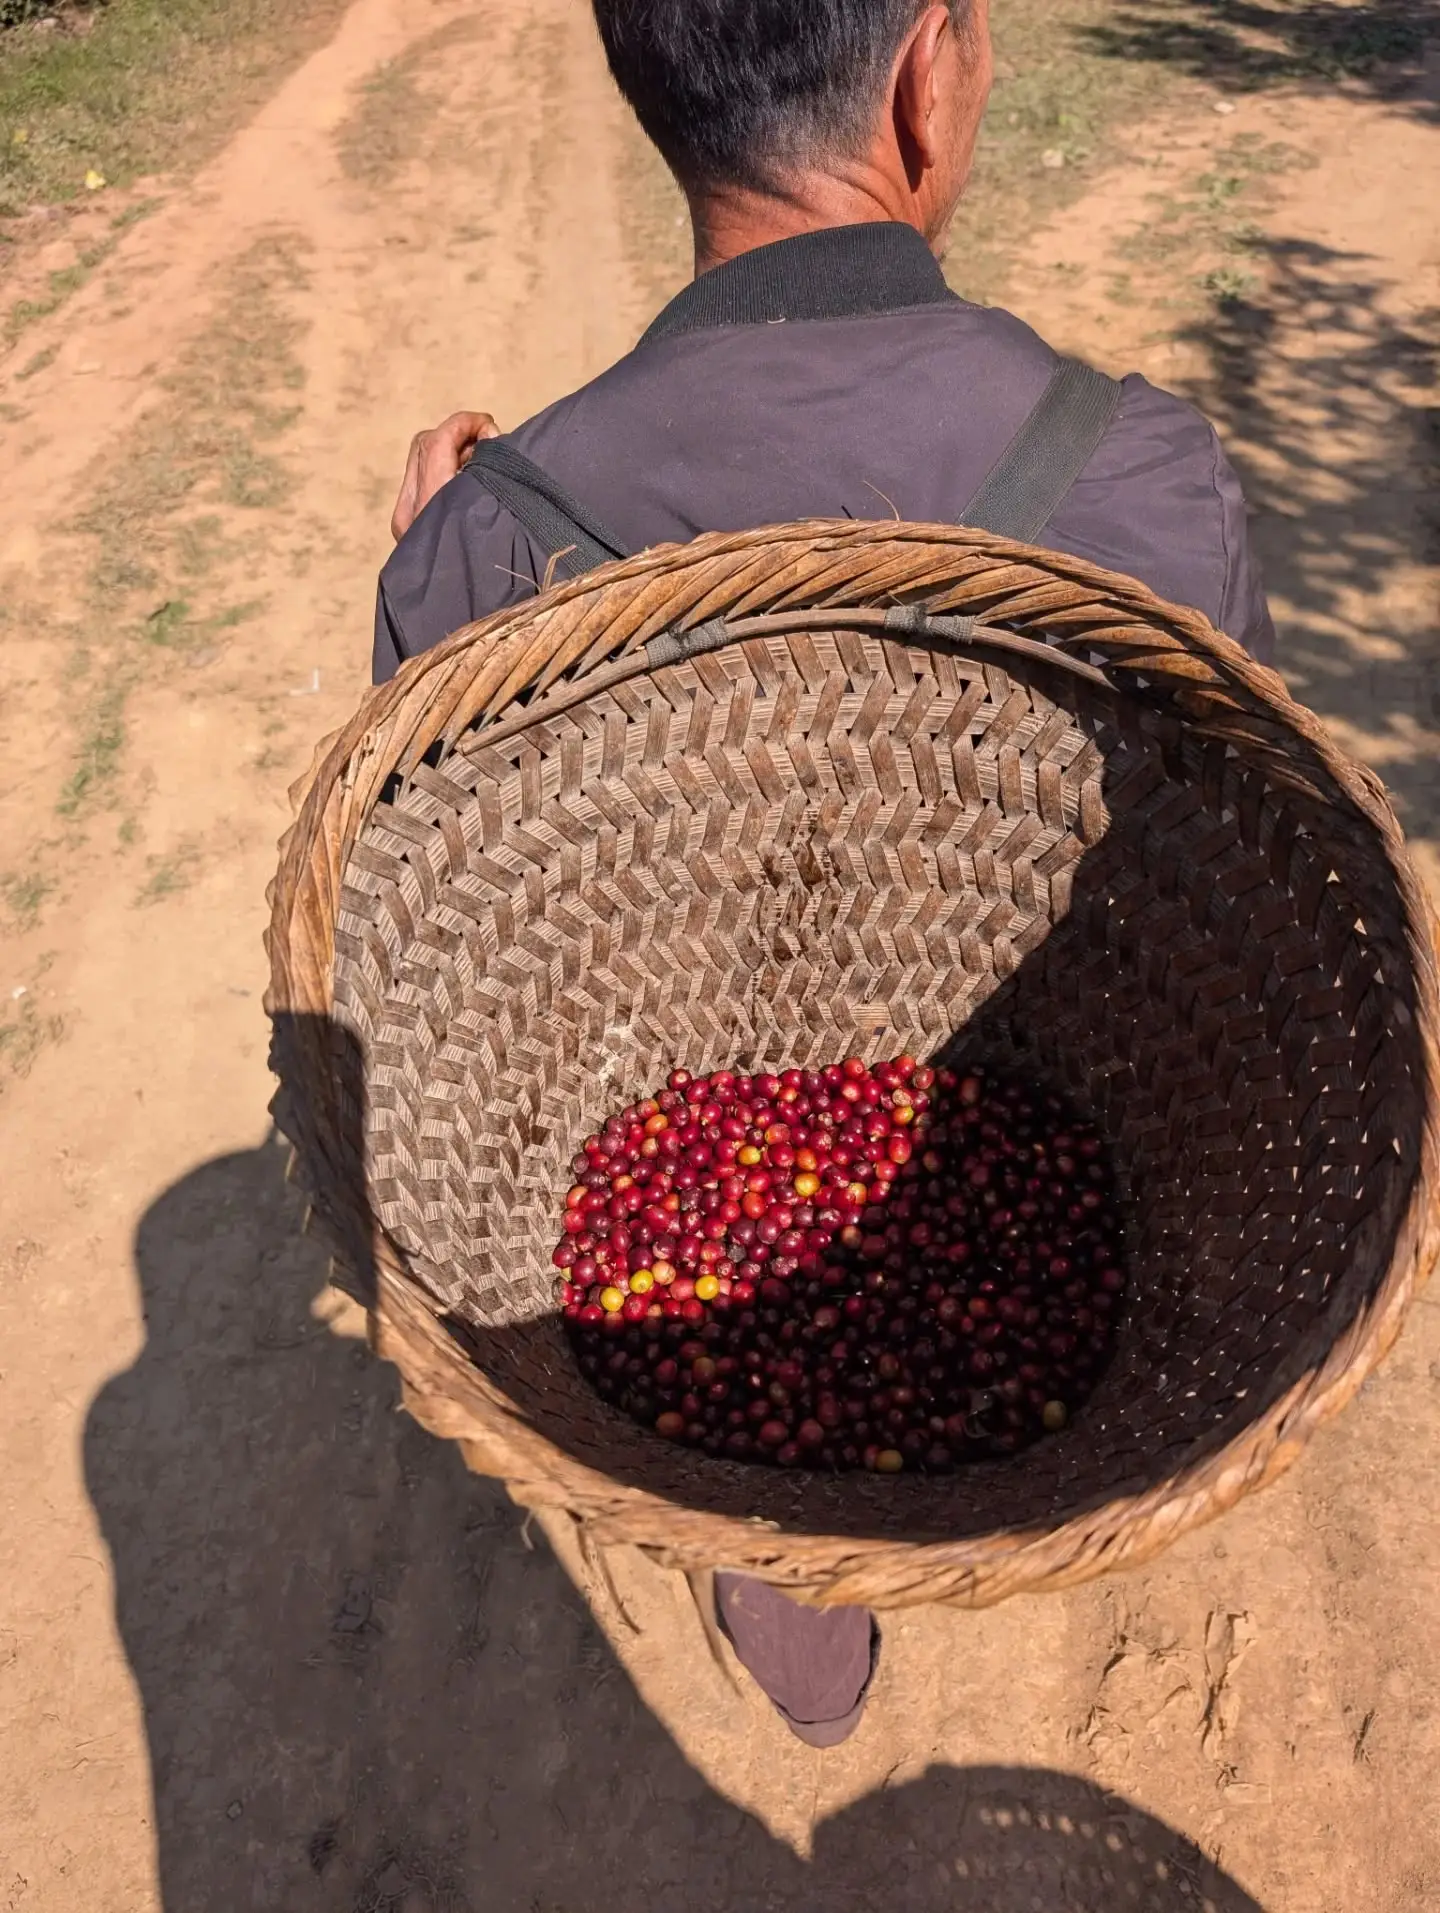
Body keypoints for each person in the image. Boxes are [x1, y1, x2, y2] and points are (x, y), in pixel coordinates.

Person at [372, 0, 1274, 1744]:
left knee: (748, 1397)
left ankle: (783, 1579)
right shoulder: (1149, 480)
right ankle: (847, 1540)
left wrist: (436, 579)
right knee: (833, 1340)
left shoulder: (482, 544)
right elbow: (1220, 856)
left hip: (678, 1106)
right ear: (930, 74)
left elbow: (447, 881)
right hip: (1024, 1094)